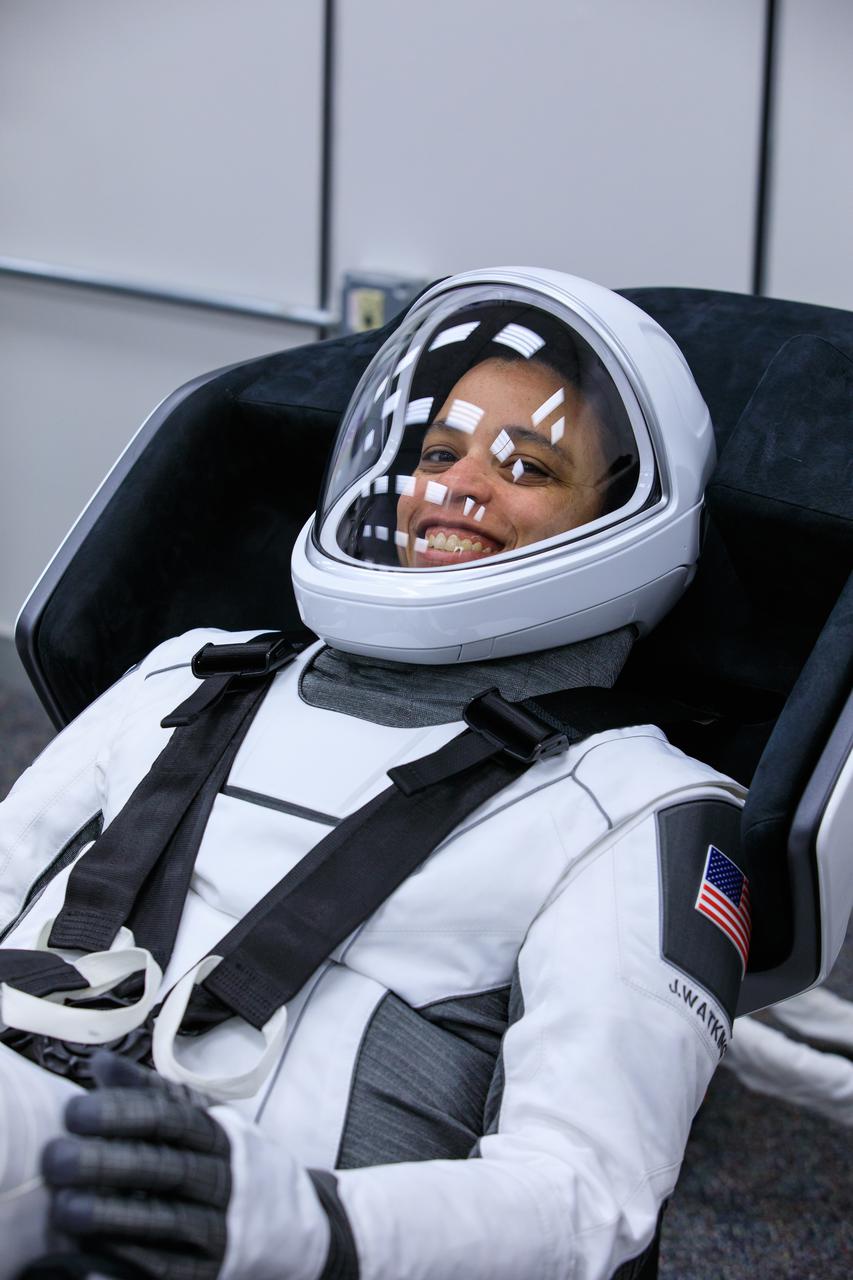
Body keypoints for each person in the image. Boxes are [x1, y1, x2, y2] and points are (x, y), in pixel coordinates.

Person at [0, 269, 750, 1280]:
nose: (455, 486)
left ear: (618, 514)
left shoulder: (634, 805)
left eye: (524, 465)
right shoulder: (196, 671)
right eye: (437, 451)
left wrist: (299, 1223)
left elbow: (586, 1195)